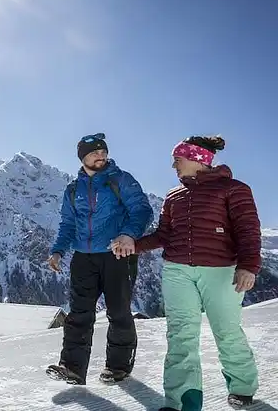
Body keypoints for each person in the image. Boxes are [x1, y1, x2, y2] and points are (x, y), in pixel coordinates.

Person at [112, 135, 261, 411]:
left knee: (227, 331)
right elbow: (164, 235)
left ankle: (242, 385)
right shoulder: (173, 196)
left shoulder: (234, 189)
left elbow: (248, 231)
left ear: (197, 159)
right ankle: (182, 402)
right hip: (177, 271)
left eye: (177, 160)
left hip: (221, 271)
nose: (173, 166)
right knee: (180, 335)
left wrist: (248, 266)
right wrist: (134, 245)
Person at [46, 132, 154, 385]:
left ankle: (118, 367)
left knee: (119, 312)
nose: (100, 155)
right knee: (79, 314)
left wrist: (128, 235)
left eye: (103, 151)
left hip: (117, 254)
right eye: (94, 152)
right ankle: (72, 368)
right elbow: (68, 224)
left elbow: (141, 210)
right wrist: (58, 250)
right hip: (83, 258)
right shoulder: (73, 190)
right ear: (83, 157)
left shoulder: (121, 180)